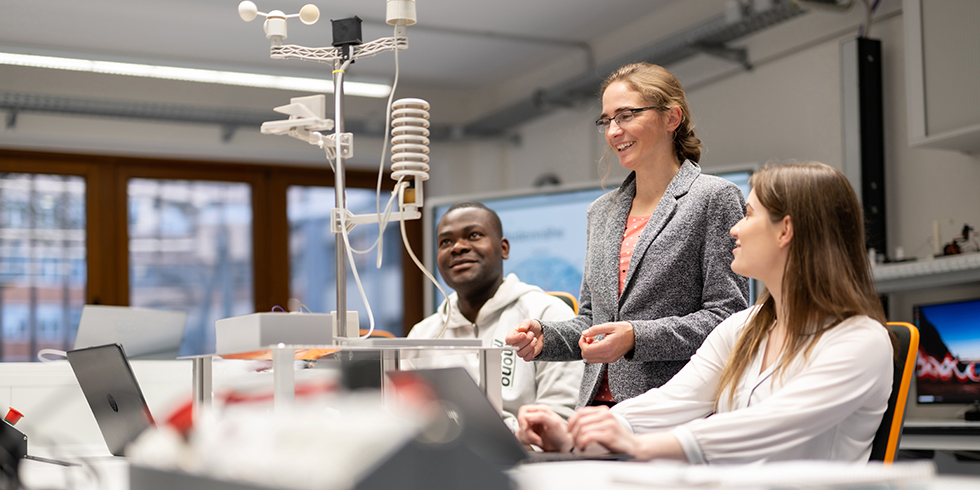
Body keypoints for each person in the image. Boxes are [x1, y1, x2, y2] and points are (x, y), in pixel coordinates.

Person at [516, 162, 894, 464]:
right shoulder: (743, 328)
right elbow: (673, 401)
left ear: (785, 231)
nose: (734, 229)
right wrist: (576, 434)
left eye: (748, 214)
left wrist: (643, 447)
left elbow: (765, 426)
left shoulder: (860, 341)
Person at [506, 62, 748, 408]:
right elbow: (593, 321)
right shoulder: (601, 212)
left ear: (671, 118)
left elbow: (728, 319)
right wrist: (548, 337)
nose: (613, 131)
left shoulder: (713, 198)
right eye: (606, 120)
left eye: (626, 115)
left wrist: (637, 337)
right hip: (596, 412)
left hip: (672, 410)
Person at [406, 201, 584, 431]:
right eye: (446, 242)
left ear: (504, 248)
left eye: (474, 235)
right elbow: (403, 417)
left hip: (528, 459)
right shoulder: (424, 333)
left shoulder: (548, 316)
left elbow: (559, 417)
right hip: (442, 458)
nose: (458, 247)